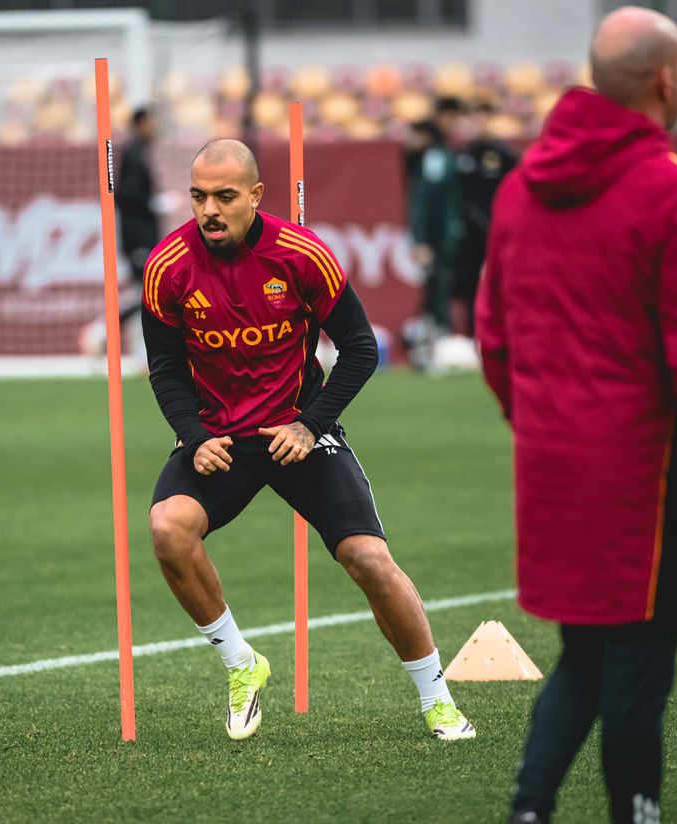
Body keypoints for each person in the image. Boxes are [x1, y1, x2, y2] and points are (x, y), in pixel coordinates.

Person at [478, 8, 677, 824]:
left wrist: (540, 425)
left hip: (554, 467)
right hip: (649, 473)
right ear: (667, 80)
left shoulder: (519, 188)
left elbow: (494, 338)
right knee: (637, 680)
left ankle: (527, 820)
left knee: (587, 658)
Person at [142, 139, 475, 742]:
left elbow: (362, 348)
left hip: (298, 432)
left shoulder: (302, 254)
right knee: (168, 528)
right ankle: (242, 663)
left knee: (368, 558)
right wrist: (192, 436)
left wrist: (310, 424)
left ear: (256, 195)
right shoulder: (167, 266)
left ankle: (438, 700)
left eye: (224, 196)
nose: (209, 210)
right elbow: (165, 369)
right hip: (220, 437)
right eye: (198, 196)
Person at [406, 99, 465, 369]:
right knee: (435, 291)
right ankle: (433, 350)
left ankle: (436, 347)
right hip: (437, 239)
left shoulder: (446, 151)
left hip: (449, 237)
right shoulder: (435, 155)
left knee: (442, 288)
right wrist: (421, 240)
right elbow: (421, 201)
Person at [453, 100, 517, 339]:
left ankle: (500, 333)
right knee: (468, 286)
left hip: (495, 231)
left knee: (498, 283)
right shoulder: (461, 155)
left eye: (480, 115)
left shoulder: (502, 155)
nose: (476, 122)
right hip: (468, 235)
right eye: (471, 116)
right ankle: (473, 335)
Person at [115, 107, 161, 357]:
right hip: (137, 238)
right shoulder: (132, 154)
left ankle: (140, 348)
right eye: (150, 122)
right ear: (139, 124)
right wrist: (153, 203)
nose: (154, 127)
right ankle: (103, 330)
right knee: (145, 293)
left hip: (143, 236)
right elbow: (125, 195)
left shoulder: (140, 152)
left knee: (147, 292)